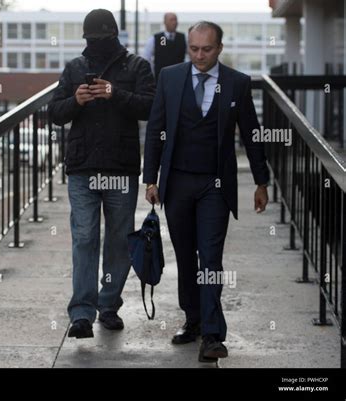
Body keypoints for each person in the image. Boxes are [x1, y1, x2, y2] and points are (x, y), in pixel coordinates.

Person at [143, 21, 269, 362]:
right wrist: (150, 179)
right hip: (177, 183)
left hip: (216, 184)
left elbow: (251, 133)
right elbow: (155, 129)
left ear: (220, 48)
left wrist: (262, 181)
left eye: (207, 49)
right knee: (185, 257)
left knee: (210, 258)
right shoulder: (169, 78)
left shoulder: (238, 84)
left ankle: (213, 335)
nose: (199, 56)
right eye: (194, 49)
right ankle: (193, 320)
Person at [48, 9, 155, 339]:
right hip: (82, 168)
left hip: (120, 167)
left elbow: (151, 107)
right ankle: (82, 312)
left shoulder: (137, 66)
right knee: (84, 237)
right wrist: (76, 101)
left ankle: (108, 306)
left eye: (101, 40)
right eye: (91, 41)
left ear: (115, 36)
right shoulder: (75, 68)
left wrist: (115, 93)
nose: (95, 45)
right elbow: (54, 112)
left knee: (119, 241)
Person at [142, 13, 187, 82]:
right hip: (161, 78)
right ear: (165, 22)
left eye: (175, 20)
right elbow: (146, 58)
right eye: (171, 20)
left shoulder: (183, 38)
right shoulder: (158, 38)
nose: (174, 22)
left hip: (179, 77)